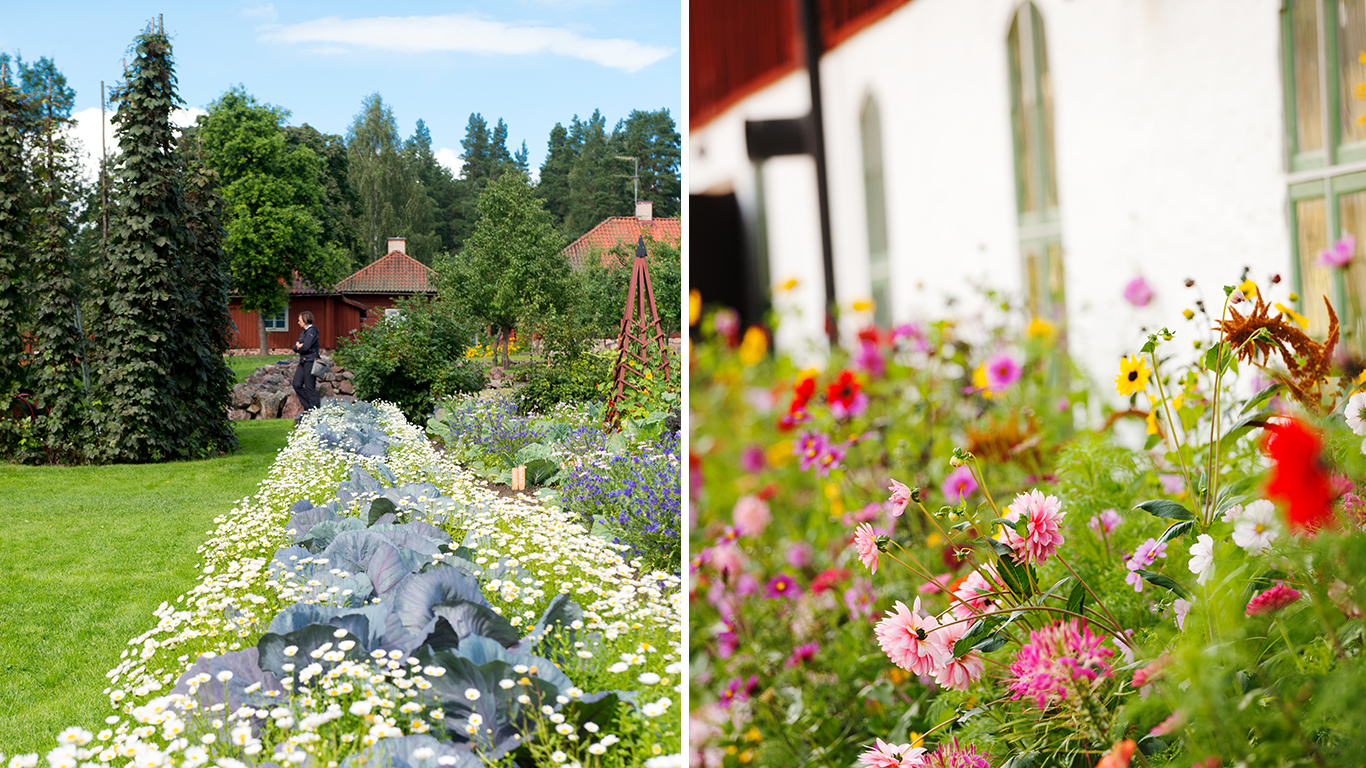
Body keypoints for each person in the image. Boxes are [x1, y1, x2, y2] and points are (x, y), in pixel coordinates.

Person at [292, 311, 321, 423]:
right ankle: (309, 407)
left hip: (310, 361)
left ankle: (315, 411)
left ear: (305, 319)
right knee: (296, 384)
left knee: (309, 387)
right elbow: (295, 347)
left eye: (299, 320)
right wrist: (299, 346)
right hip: (303, 361)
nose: (298, 322)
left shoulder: (312, 330)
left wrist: (301, 346)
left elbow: (306, 346)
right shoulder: (304, 333)